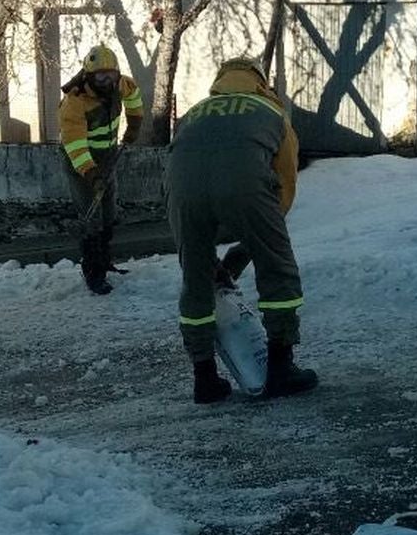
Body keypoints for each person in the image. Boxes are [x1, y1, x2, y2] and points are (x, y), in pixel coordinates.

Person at [166, 57, 318, 403]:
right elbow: (284, 184)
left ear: (220, 81)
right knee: (278, 271)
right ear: (260, 82)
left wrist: (206, 257)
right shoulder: (271, 112)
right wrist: (252, 247)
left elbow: (179, 170)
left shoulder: (193, 114)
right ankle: (281, 368)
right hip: (247, 189)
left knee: (196, 281)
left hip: (182, 194)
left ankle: (203, 378)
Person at [58, 44, 144, 294]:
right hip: (79, 162)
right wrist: (91, 174)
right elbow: (74, 144)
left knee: (108, 213)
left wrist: (135, 123)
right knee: (90, 216)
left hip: (107, 156)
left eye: (111, 74)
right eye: (100, 76)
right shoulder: (75, 102)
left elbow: (134, 95)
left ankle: (105, 262)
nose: (107, 80)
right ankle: (93, 272)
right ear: (89, 75)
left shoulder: (121, 85)